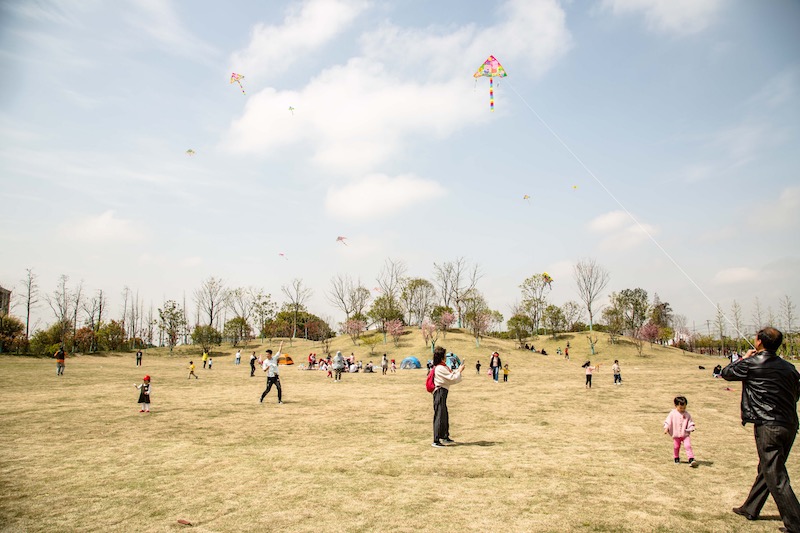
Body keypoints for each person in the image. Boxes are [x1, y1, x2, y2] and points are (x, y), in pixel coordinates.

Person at [722, 327, 800, 531]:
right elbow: (796, 394)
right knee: (769, 468)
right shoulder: (790, 368)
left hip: (768, 425)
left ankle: (796, 523)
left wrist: (744, 358)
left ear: (759, 342)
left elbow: (726, 373)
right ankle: (751, 507)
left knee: (776, 474)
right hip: (789, 424)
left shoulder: (751, 363)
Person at [430, 346, 465, 448]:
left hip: (442, 393)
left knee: (444, 415)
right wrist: (459, 371)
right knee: (439, 415)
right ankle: (436, 440)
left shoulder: (441, 367)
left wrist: (458, 370)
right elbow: (452, 378)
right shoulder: (440, 368)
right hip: (439, 392)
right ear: (442, 357)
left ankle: (444, 436)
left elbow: (451, 375)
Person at [663, 396, 697, 466]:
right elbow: (668, 421)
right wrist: (666, 428)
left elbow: (690, 422)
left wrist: (691, 427)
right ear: (676, 406)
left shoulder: (687, 414)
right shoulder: (672, 413)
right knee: (676, 447)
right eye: (681, 408)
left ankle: (691, 459)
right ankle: (676, 457)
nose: (682, 409)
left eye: (684, 408)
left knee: (688, 446)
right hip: (676, 435)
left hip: (685, 434)